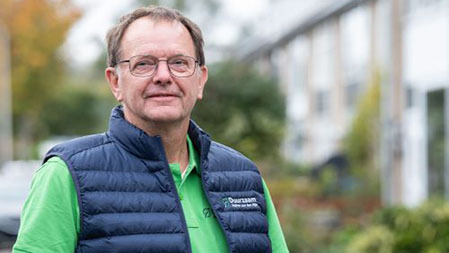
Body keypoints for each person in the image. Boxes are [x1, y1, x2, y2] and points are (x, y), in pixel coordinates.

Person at [13, 5, 289, 253]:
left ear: (200, 80)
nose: (163, 76)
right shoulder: (66, 175)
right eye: (143, 64)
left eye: (179, 63)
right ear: (115, 82)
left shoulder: (243, 178)